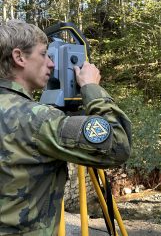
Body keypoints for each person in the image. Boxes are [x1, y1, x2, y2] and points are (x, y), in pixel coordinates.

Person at [0, 19, 132, 236]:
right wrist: (92, 89)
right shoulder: (39, 120)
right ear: (19, 57)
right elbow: (118, 144)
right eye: (44, 54)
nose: (51, 64)